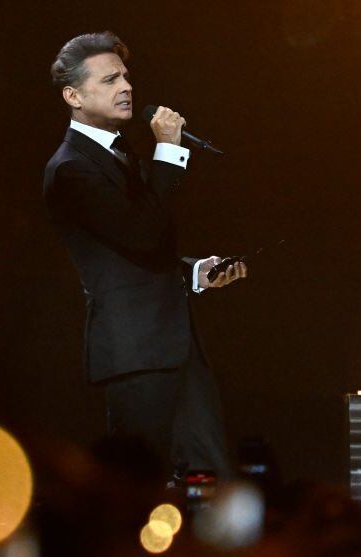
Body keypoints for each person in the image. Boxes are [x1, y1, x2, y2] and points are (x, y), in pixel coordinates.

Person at [43, 31, 245, 483]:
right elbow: (143, 231)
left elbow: (139, 252)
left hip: (173, 344)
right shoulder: (71, 167)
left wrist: (195, 272)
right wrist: (171, 151)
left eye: (126, 76)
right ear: (73, 95)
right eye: (110, 79)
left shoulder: (118, 153)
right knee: (140, 489)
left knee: (208, 481)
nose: (126, 87)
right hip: (135, 350)